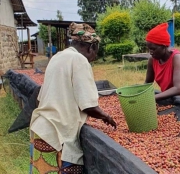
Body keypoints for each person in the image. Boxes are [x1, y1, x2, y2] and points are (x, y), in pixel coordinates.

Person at [29, 22, 117, 173]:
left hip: (41, 130)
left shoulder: (57, 57)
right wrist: (106, 116)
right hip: (58, 137)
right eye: (95, 54)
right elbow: (88, 105)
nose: (93, 58)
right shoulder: (79, 60)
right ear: (91, 47)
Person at [145, 22, 180, 101]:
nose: (150, 52)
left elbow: (178, 88)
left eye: (153, 49)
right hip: (170, 99)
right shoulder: (152, 60)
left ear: (164, 46)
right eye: (149, 49)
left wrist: (153, 98)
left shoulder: (176, 57)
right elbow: (147, 84)